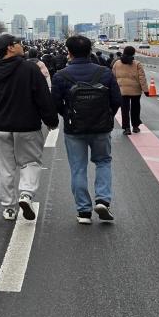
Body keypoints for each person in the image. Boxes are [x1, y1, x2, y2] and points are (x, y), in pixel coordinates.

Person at [0, 33, 58, 221]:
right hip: (28, 126)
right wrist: (51, 120)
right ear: (10, 47)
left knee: (5, 168)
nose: (22, 45)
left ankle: (8, 207)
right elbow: (42, 97)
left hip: (1, 128)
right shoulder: (29, 69)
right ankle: (26, 194)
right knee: (30, 162)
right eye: (18, 43)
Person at [52, 35, 123, 225]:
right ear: (90, 50)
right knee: (103, 162)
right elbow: (117, 100)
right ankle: (103, 200)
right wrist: (107, 115)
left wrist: (68, 115)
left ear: (69, 52)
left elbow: (55, 103)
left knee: (78, 168)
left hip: (74, 128)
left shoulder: (61, 75)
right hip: (101, 127)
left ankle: (83, 212)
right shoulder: (105, 73)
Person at [111, 45, 149, 135]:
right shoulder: (137, 64)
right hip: (135, 90)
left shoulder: (117, 64)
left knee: (124, 109)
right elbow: (142, 78)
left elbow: (112, 77)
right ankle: (135, 126)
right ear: (133, 53)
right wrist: (146, 90)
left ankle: (126, 128)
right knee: (135, 108)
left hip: (122, 90)